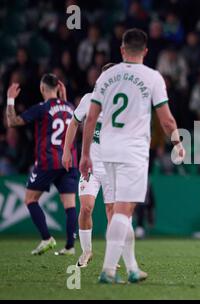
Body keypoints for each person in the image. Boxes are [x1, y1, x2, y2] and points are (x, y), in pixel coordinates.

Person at [79, 29, 185, 284]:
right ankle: (108, 270)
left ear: (122, 50)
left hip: (106, 150)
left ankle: (133, 267)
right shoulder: (152, 77)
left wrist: (85, 154)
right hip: (133, 151)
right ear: (146, 51)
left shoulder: (107, 76)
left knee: (120, 210)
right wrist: (178, 143)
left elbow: (91, 118)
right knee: (123, 212)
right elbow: (167, 119)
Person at [5, 74, 78, 256]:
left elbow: (12, 122)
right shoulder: (70, 107)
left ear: (42, 89)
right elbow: (69, 117)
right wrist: (65, 97)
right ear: (59, 88)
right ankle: (70, 246)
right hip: (69, 161)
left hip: (49, 161)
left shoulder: (42, 108)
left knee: (30, 199)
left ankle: (47, 238)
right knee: (69, 205)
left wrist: (10, 99)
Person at [62, 63, 116, 268]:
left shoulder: (120, 104)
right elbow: (74, 122)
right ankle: (86, 252)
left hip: (112, 166)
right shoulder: (88, 100)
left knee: (112, 212)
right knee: (86, 207)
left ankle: (112, 256)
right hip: (90, 166)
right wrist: (67, 150)